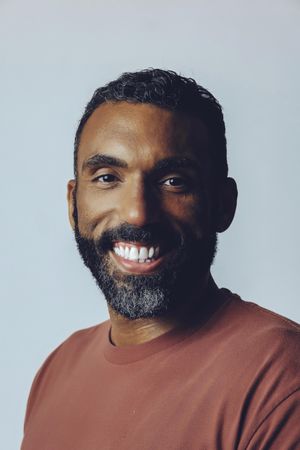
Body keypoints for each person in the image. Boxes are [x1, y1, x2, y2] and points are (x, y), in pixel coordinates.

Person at [21, 69, 300, 450]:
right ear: (73, 204)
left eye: (173, 181)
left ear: (223, 204)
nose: (137, 214)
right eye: (106, 177)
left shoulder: (280, 378)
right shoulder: (57, 369)